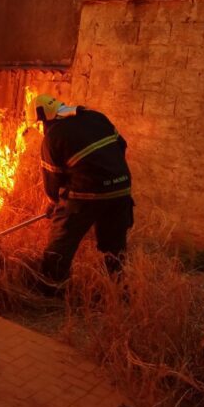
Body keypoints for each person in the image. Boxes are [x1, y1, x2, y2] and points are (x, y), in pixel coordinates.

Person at [25, 95, 134, 289]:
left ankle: (50, 290)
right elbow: (121, 145)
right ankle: (117, 288)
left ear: (45, 119)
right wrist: (110, 173)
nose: (41, 129)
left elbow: (52, 180)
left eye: (39, 124)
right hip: (122, 188)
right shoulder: (96, 116)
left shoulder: (53, 137)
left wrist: (54, 203)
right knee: (114, 246)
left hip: (87, 193)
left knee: (61, 242)